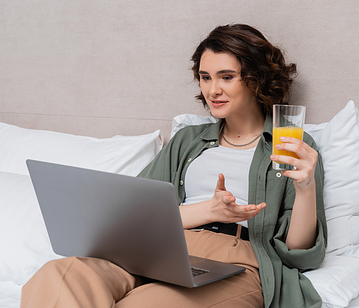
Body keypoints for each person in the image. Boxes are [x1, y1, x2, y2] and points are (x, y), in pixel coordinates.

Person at [21, 24, 326, 308]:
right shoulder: (187, 140)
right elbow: (134, 216)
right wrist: (210, 210)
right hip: (158, 250)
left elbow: (299, 253)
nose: (213, 90)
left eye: (226, 77)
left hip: (238, 259)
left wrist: (305, 187)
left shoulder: (293, 143)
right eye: (205, 77)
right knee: (60, 275)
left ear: (256, 78)